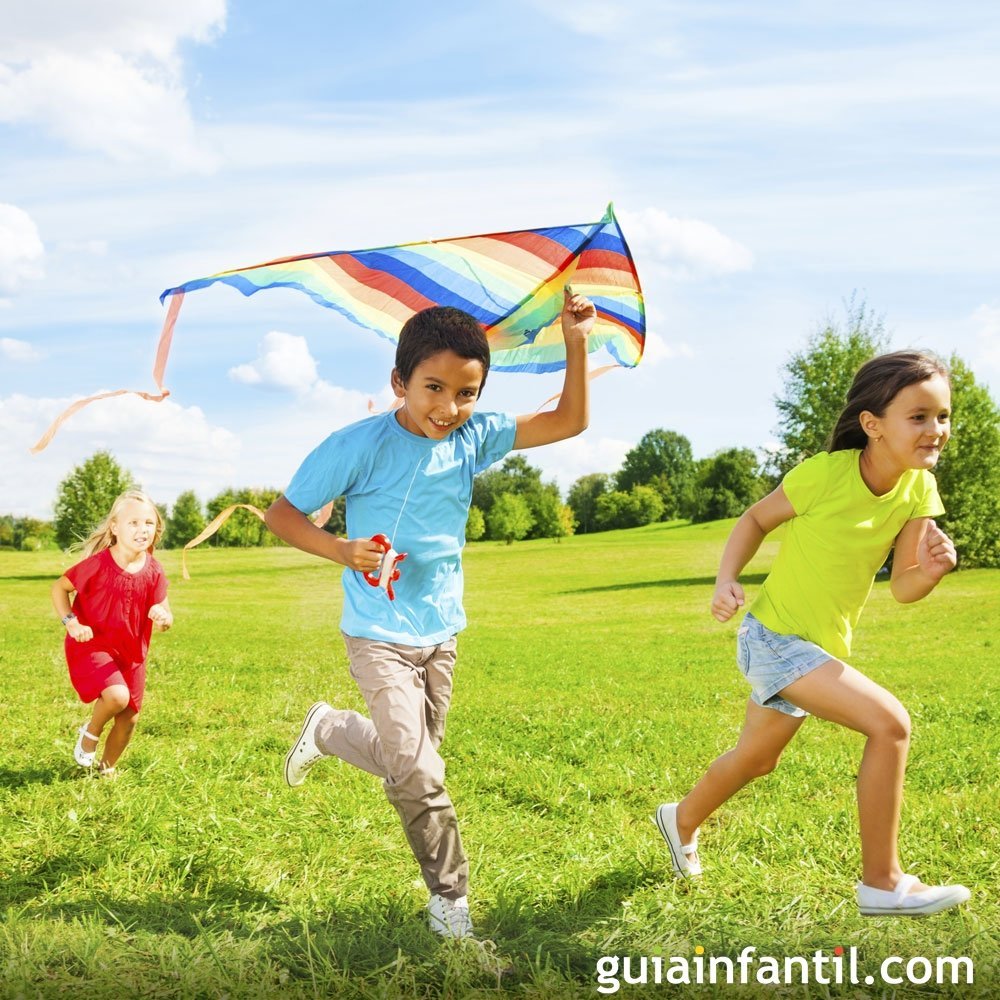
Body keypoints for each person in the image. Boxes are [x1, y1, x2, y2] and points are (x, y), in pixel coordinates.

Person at [266, 289, 596, 939]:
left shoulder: (473, 436)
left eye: (466, 392)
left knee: (407, 764)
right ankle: (451, 903)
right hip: (376, 635)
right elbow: (282, 514)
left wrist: (575, 343)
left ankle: (330, 731)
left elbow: (568, 423)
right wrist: (341, 550)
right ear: (400, 381)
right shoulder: (356, 445)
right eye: (434, 388)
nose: (449, 408)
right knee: (418, 772)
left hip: (440, 633)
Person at [655, 350, 971, 917]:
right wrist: (726, 580)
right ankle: (883, 881)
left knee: (756, 760)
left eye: (942, 416)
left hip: (814, 648)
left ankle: (679, 819)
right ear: (872, 425)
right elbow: (755, 518)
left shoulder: (919, 490)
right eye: (919, 416)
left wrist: (931, 571)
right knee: (890, 725)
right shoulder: (825, 475)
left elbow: (902, 587)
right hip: (774, 638)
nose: (936, 430)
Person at [51, 490, 173, 778]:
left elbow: (166, 615)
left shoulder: (154, 570)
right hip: (91, 645)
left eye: (148, 523)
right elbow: (59, 588)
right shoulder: (97, 565)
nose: (142, 529)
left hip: (132, 654)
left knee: (130, 717)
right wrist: (71, 622)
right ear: (115, 528)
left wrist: (163, 617)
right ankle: (91, 732)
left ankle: (106, 770)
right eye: (133, 523)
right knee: (116, 697)